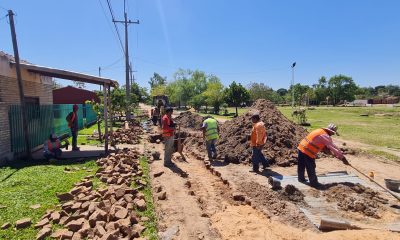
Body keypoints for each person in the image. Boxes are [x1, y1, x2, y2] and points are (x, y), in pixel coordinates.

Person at [297, 123, 349, 188]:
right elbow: (334, 148)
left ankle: (301, 178)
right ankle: (314, 183)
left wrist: (327, 150)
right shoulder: (326, 136)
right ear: (331, 131)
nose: (333, 134)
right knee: (311, 167)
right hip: (308, 151)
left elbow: (319, 143)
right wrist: (343, 158)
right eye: (333, 133)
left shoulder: (320, 131)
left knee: (301, 165)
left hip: (301, 147)